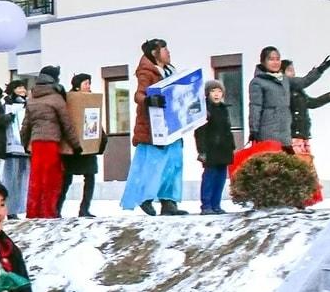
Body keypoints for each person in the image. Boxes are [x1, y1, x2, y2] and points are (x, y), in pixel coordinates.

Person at [121, 39, 189, 215]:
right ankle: (145, 197)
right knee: (153, 165)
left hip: (172, 125)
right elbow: (139, 95)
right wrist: (148, 100)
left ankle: (169, 203)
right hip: (153, 127)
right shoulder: (147, 72)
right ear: (154, 53)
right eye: (164, 49)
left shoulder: (170, 71)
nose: (168, 52)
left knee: (173, 163)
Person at [20, 66, 79, 219]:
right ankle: (48, 212)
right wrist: (76, 145)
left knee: (36, 179)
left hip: (36, 143)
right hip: (51, 142)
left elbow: (26, 125)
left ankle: (33, 212)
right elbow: (67, 124)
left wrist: (24, 143)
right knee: (51, 179)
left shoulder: (32, 98)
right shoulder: (56, 98)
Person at [248, 48, 330, 148]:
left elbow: (303, 82)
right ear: (263, 61)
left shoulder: (284, 79)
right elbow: (255, 107)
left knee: (287, 157)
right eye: (271, 59)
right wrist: (254, 130)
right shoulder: (258, 82)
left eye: (277, 59)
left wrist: (319, 70)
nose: (275, 62)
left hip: (285, 132)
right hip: (267, 131)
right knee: (272, 157)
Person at [285, 59, 330, 203]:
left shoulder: (297, 90)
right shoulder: (285, 89)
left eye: (293, 70)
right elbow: (305, 81)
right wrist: (320, 69)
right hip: (293, 135)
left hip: (303, 134)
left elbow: (311, 103)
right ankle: (296, 199)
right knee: (299, 167)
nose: (293, 73)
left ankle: (304, 200)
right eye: (289, 70)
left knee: (306, 166)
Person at [58, 74, 107, 218]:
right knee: (66, 180)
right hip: (72, 147)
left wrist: (101, 142)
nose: (88, 86)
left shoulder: (91, 99)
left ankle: (84, 208)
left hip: (88, 147)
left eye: (89, 83)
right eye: (86, 83)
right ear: (77, 86)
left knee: (90, 177)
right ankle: (57, 208)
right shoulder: (68, 100)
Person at [195, 80, 235, 215]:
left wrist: (231, 146)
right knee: (209, 177)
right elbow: (199, 132)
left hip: (224, 149)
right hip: (210, 149)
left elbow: (227, 129)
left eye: (219, 91)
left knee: (220, 178)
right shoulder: (204, 110)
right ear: (207, 93)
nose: (216, 94)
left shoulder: (224, 109)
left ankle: (216, 205)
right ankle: (206, 205)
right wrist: (201, 150)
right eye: (213, 91)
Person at [0, 79, 30, 218]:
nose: (22, 90)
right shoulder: (7, 104)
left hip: (25, 147)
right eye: (19, 88)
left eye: (23, 87)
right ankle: (10, 210)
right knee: (11, 180)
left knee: (23, 179)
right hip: (12, 146)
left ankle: (19, 208)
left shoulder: (28, 104)